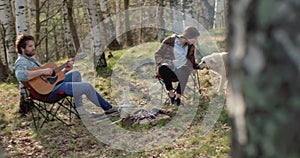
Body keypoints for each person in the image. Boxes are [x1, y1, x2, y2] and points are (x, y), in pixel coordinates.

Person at [14, 33, 118, 116]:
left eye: (33, 45)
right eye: (30, 46)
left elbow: (48, 80)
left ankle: (80, 110)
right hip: (45, 94)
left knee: (75, 74)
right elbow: (20, 75)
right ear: (22, 49)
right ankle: (109, 108)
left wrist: (65, 71)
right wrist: (43, 71)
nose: (34, 48)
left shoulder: (31, 60)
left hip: (50, 88)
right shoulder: (21, 61)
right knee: (87, 86)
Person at [155, 26, 203, 106]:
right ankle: (171, 94)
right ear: (188, 36)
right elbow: (158, 54)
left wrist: (200, 66)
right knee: (164, 67)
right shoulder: (170, 41)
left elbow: (192, 61)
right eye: (194, 39)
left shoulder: (191, 47)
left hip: (181, 71)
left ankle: (178, 97)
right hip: (167, 69)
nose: (195, 41)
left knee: (186, 69)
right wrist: (169, 62)